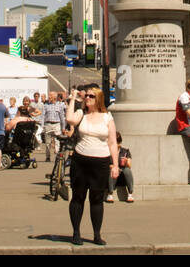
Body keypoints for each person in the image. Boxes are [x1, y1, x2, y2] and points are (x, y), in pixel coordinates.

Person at [65, 84, 118, 245]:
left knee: (96, 199)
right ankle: (76, 233)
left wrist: (115, 165)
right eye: (86, 95)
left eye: (91, 96)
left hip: (101, 162)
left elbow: (112, 142)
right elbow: (69, 119)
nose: (87, 98)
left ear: (98, 99)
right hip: (81, 160)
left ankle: (96, 234)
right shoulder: (81, 114)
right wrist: (73, 98)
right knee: (78, 197)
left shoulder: (107, 117)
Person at [108, 131, 135, 203]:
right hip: (112, 177)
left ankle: (130, 193)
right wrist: (114, 167)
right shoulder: (108, 151)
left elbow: (129, 165)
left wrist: (126, 161)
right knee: (112, 169)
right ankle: (110, 194)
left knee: (127, 170)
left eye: (118, 143)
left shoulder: (125, 151)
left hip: (122, 177)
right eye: (116, 143)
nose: (117, 145)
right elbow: (105, 164)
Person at [42, 90, 67, 161]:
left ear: (54, 97)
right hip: (48, 124)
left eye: (50, 96)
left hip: (57, 124)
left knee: (57, 142)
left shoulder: (60, 105)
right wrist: (42, 126)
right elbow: (43, 116)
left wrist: (63, 128)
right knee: (47, 143)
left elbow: (62, 117)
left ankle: (57, 156)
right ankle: (47, 157)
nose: (49, 97)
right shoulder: (46, 105)